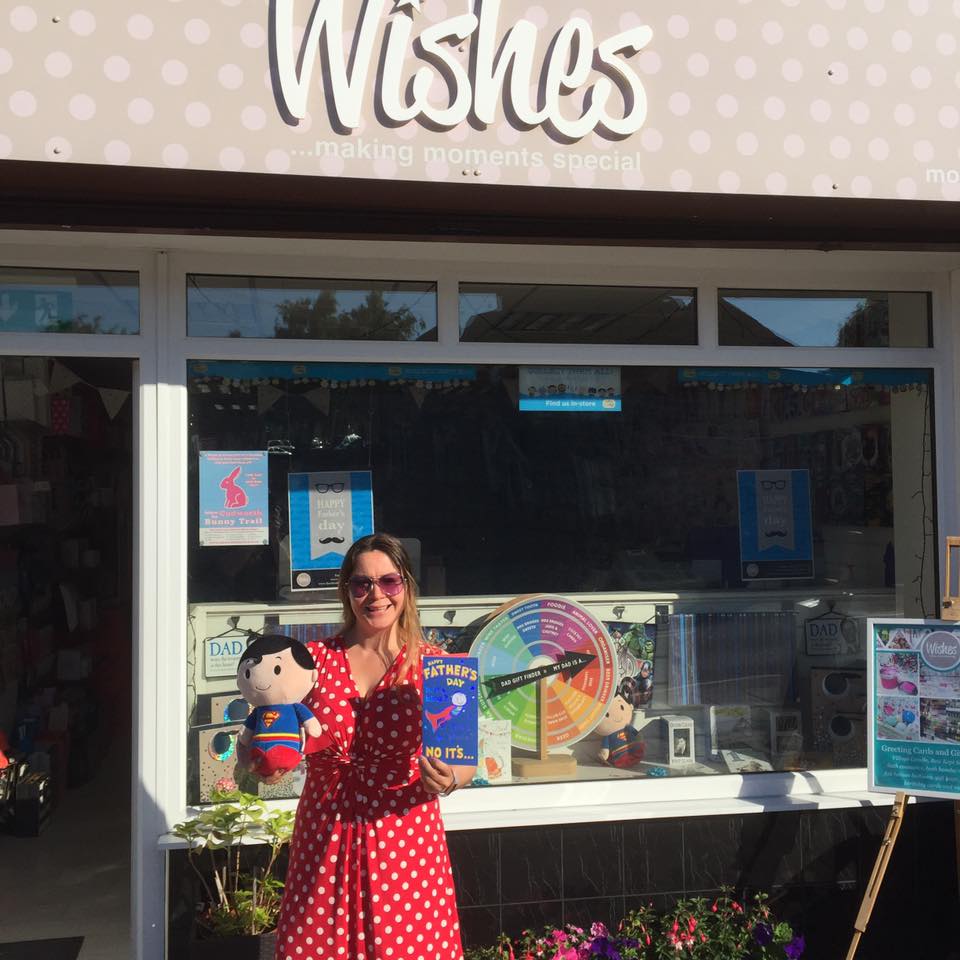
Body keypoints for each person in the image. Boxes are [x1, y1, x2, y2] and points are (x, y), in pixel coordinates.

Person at [267, 532, 475, 960]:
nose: (376, 595)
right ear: (347, 591)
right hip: (325, 832)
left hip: (403, 837)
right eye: (362, 583)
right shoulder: (309, 661)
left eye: (389, 581)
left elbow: (464, 760)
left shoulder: (439, 666)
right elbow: (278, 735)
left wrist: (450, 779)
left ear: (407, 587)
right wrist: (269, 762)